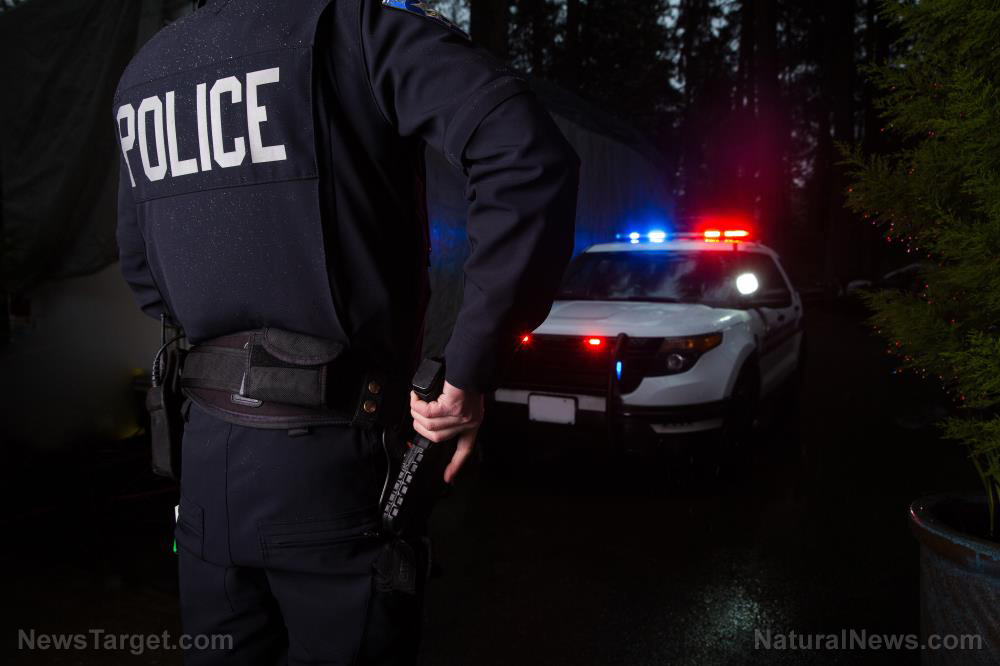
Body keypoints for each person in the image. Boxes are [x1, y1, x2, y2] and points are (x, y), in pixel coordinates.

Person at [113, 0, 578, 663]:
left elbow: (142, 270)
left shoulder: (146, 73)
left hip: (204, 457)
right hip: (335, 461)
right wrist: (469, 364)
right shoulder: (355, 29)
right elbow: (525, 155)